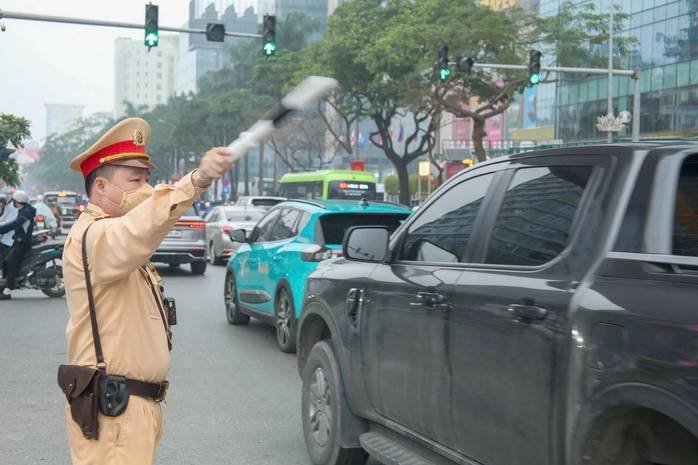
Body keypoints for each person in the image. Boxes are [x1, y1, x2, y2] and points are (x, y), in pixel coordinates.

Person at [62, 117, 233, 465]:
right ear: (101, 188)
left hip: (130, 407)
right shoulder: (94, 235)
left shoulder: (111, 236)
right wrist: (196, 180)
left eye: (147, 179)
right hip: (115, 408)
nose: (147, 188)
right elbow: (139, 230)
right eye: (135, 180)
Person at [0, 190, 36, 299]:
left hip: (23, 243)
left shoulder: (25, 214)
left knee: (11, 261)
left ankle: (8, 290)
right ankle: (5, 284)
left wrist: (1, 229)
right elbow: (10, 222)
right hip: (18, 241)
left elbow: (14, 224)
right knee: (5, 259)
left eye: (14, 201)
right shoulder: (24, 210)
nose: (13, 203)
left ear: (17, 202)